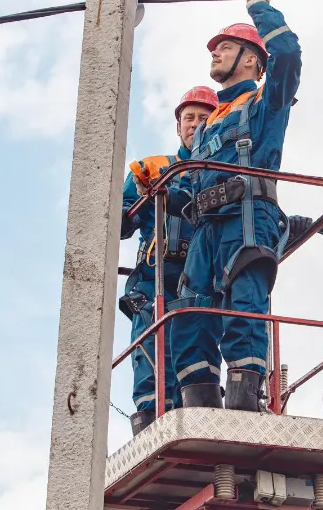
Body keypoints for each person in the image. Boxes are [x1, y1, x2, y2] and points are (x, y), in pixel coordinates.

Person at [164, 0, 302, 411]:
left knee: (244, 306)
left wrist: (261, 9)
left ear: (252, 60)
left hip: (246, 218)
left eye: (226, 46)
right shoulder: (205, 128)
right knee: (189, 317)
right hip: (206, 231)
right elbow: (185, 185)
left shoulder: (264, 106)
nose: (215, 52)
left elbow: (289, 57)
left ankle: (243, 403)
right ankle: (199, 406)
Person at [119, 86, 219, 434]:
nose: (195, 124)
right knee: (152, 356)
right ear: (178, 126)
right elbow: (122, 221)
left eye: (204, 118)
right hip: (155, 280)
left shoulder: (221, 173)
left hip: (202, 282)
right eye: (188, 118)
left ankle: (199, 419)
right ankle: (150, 424)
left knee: (198, 354)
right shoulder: (156, 168)